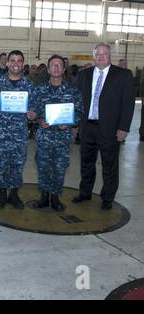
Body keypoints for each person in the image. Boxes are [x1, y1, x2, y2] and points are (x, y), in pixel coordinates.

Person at [72, 43, 135, 210]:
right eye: (98, 54)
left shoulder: (123, 75)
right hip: (88, 127)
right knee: (86, 163)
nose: (101, 57)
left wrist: (123, 128)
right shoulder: (83, 75)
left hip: (110, 128)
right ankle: (85, 192)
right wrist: (75, 124)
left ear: (110, 56)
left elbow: (128, 104)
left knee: (109, 165)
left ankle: (107, 197)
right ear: (94, 56)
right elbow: (78, 103)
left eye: (104, 54)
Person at [33, 54, 83, 212]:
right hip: (44, 137)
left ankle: (55, 197)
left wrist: (70, 123)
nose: (55, 68)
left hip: (62, 138)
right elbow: (32, 112)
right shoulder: (39, 90)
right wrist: (39, 121)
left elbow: (80, 112)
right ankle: (44, 196)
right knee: (43, 167)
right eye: (52, 65)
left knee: (59, 168)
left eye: (59, 65)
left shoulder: (72, 91)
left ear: (64, 69)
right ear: (48, 69)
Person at [0, 50, 37, 209]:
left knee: (17, 164)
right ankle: (2, 194)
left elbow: (34, 107)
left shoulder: (29, 85)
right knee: (1, 163)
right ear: (7, 63)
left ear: (23, 64)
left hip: (20, 134)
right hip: (1, 133)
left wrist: (32, 114)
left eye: (19, 61)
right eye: (13, 60)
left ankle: (14, 194)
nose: (16, 64)